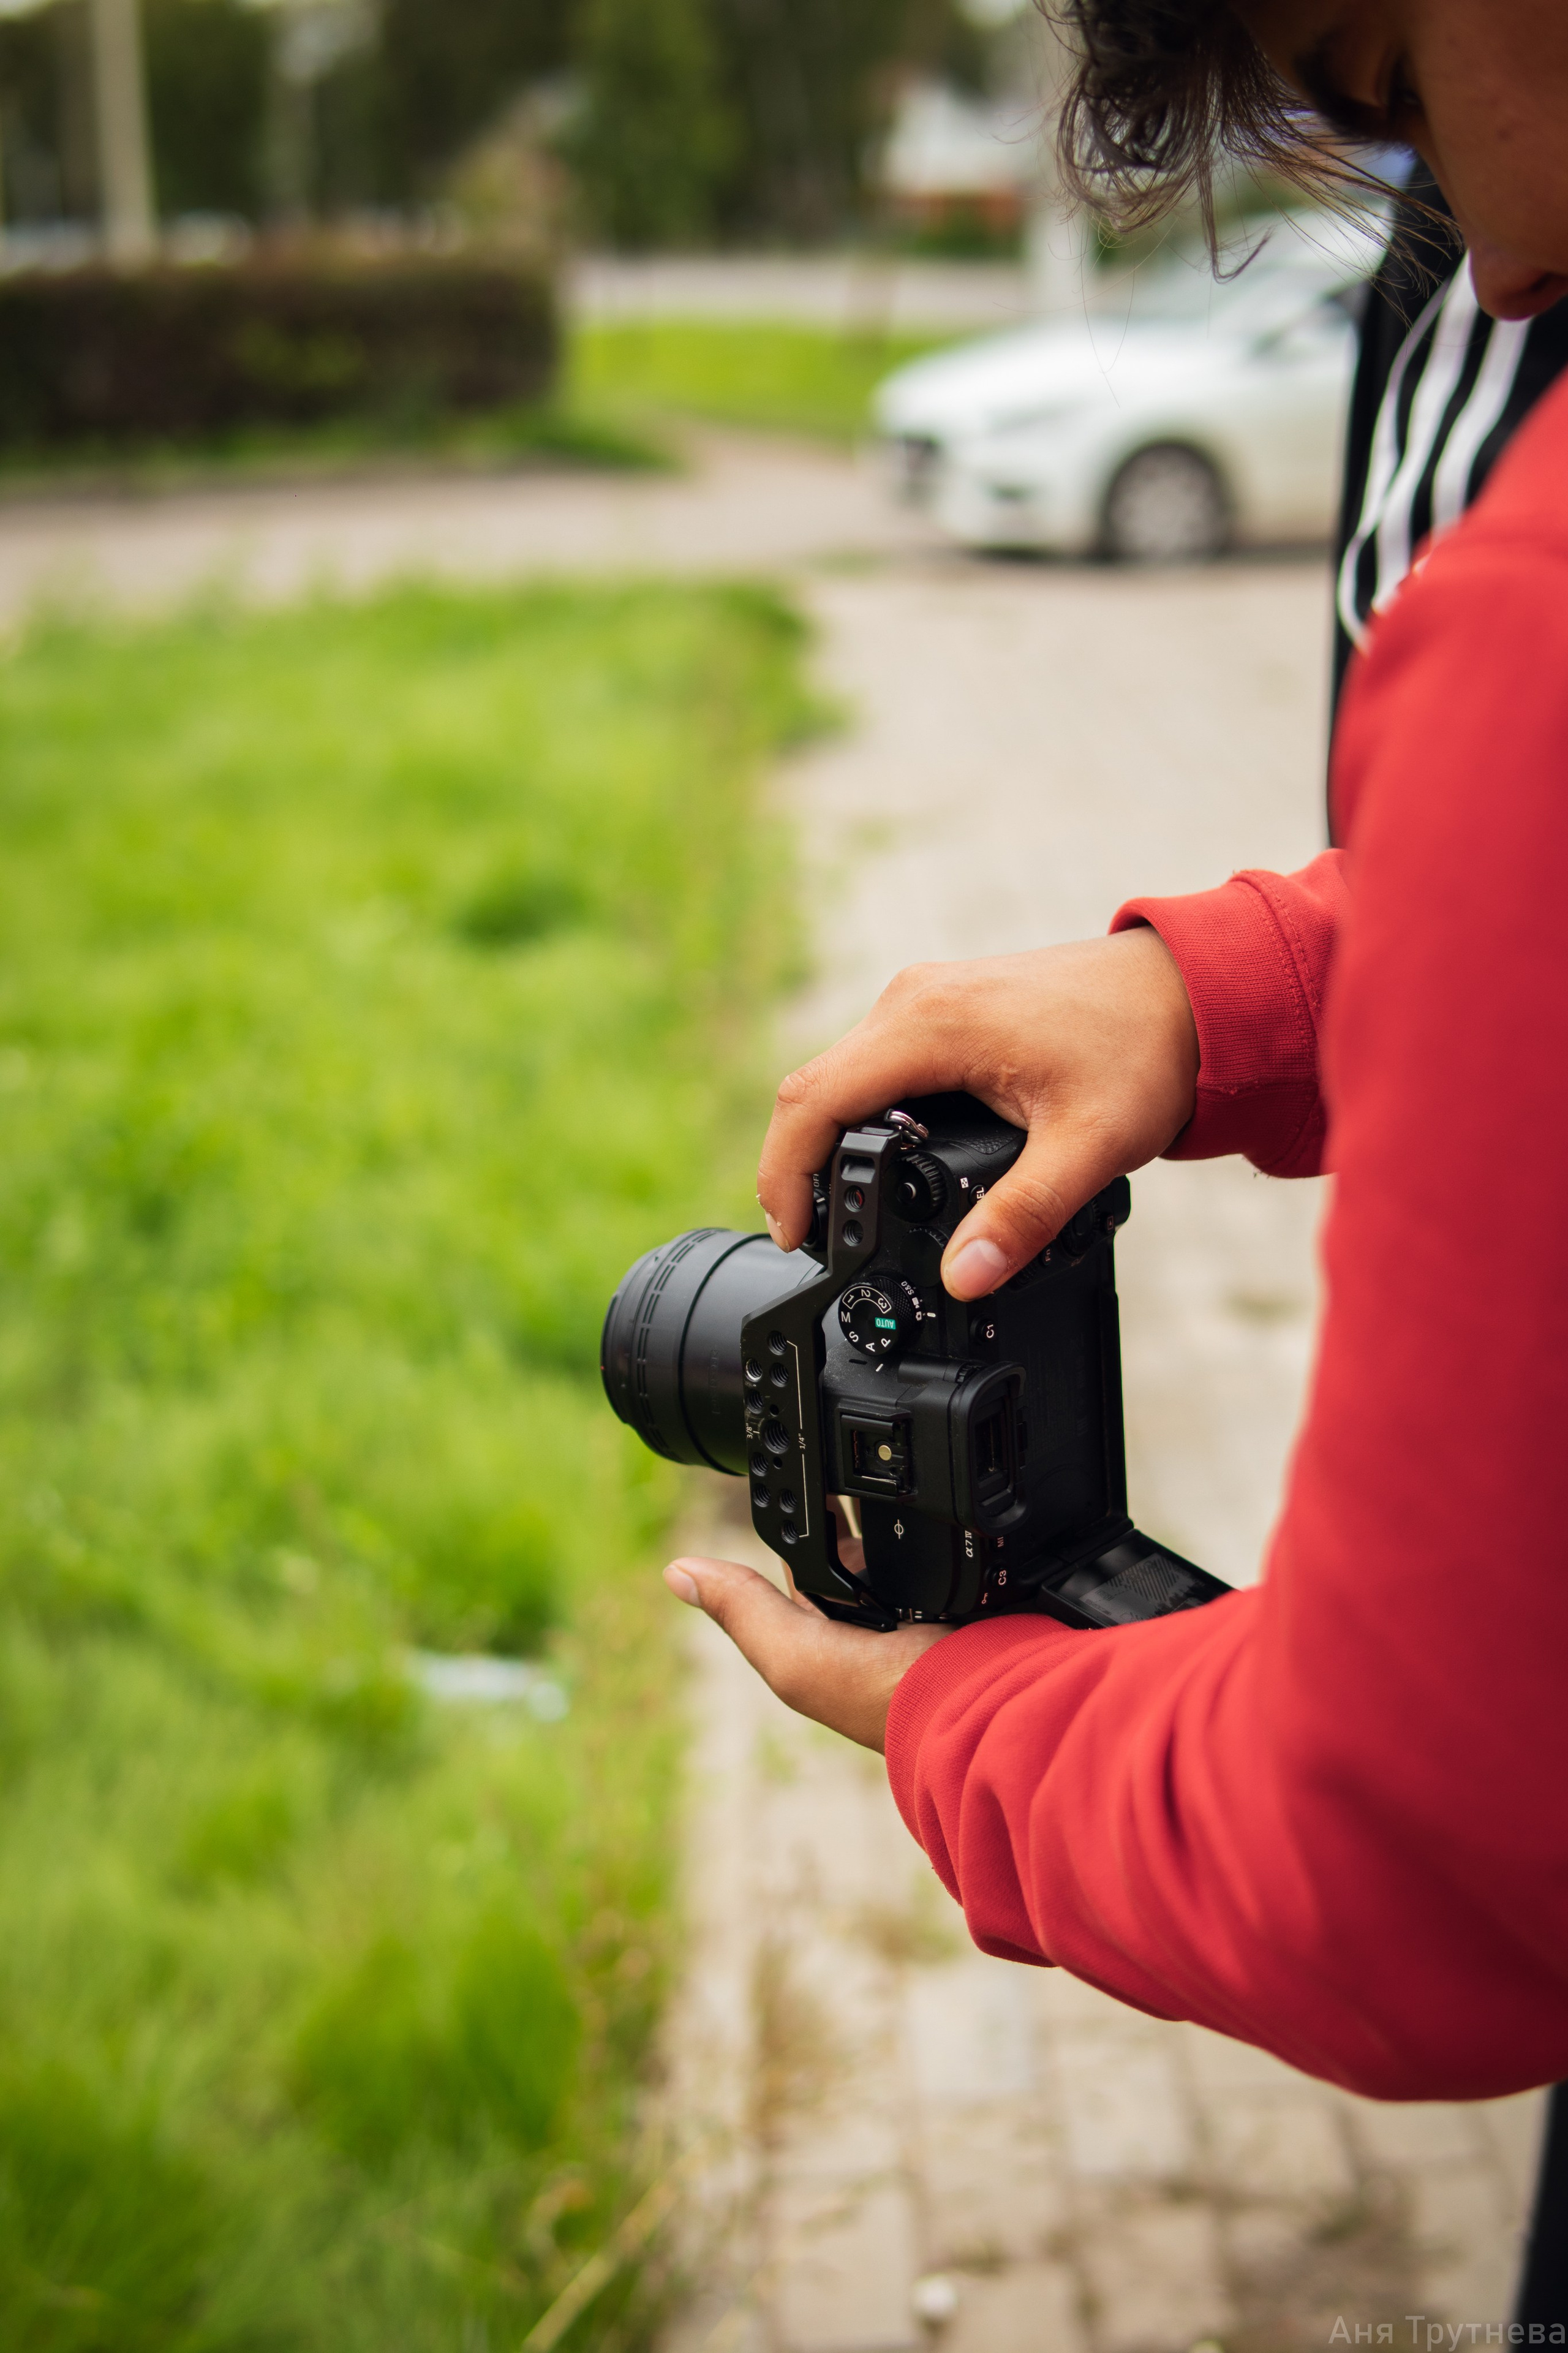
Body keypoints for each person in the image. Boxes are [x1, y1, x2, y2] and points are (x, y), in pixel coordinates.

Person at [663, 0, 1568, 2128]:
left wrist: (959, 1720)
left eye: (1395, 84)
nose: (1497, 265)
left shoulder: (1533, 617)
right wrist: (1238, 990)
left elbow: (1402, 1869)